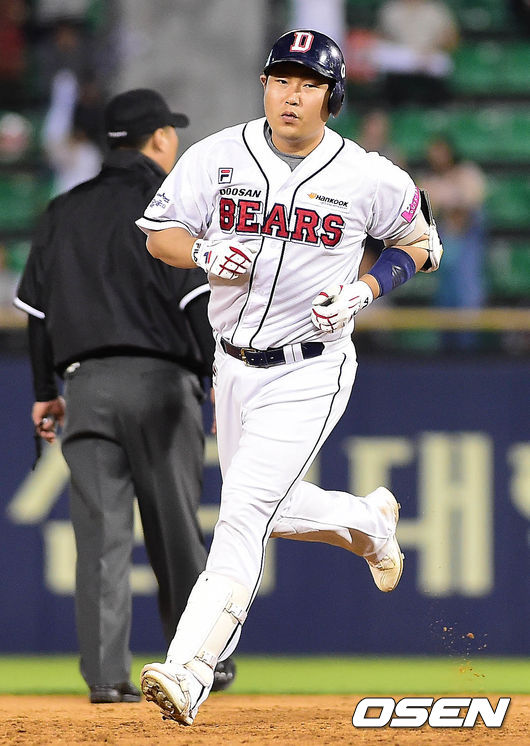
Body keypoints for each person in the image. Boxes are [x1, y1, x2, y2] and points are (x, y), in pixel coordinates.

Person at [136, 30, 443, 726]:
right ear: (265, 85)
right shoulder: (218, 155)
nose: (291, 94)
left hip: (311, 367)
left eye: (308, 83)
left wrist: (366, 288)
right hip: (232, 364)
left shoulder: (365, 174)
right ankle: (369, 521)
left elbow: (424, 246)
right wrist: (203, 250)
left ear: (332, 96)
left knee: (243, 513)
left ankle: (190, 669)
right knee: (267, 507)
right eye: (281, 79)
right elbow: (159, 233)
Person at [14, 88, 235, 703]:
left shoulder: (63, 210)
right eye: (172, 131)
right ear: (159, 138)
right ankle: (200, 663)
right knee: (175, 529)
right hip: (162, 385)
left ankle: (107, 679)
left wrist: (44, 391)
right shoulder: (172, 203)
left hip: (84, 384)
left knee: (100, 537)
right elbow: (197, 302)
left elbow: (37, 313)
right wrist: (221, 379)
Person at [419, 135, 487, 349]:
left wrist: (452, 206)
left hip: (468, 246)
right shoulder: (428, 180)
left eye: (440, 151)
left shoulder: (468, 172)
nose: (437, 157)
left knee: (467, 301)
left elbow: (471, 205)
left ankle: (469, 351)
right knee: (445, 301)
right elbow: (424, 210)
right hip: (442, 245)